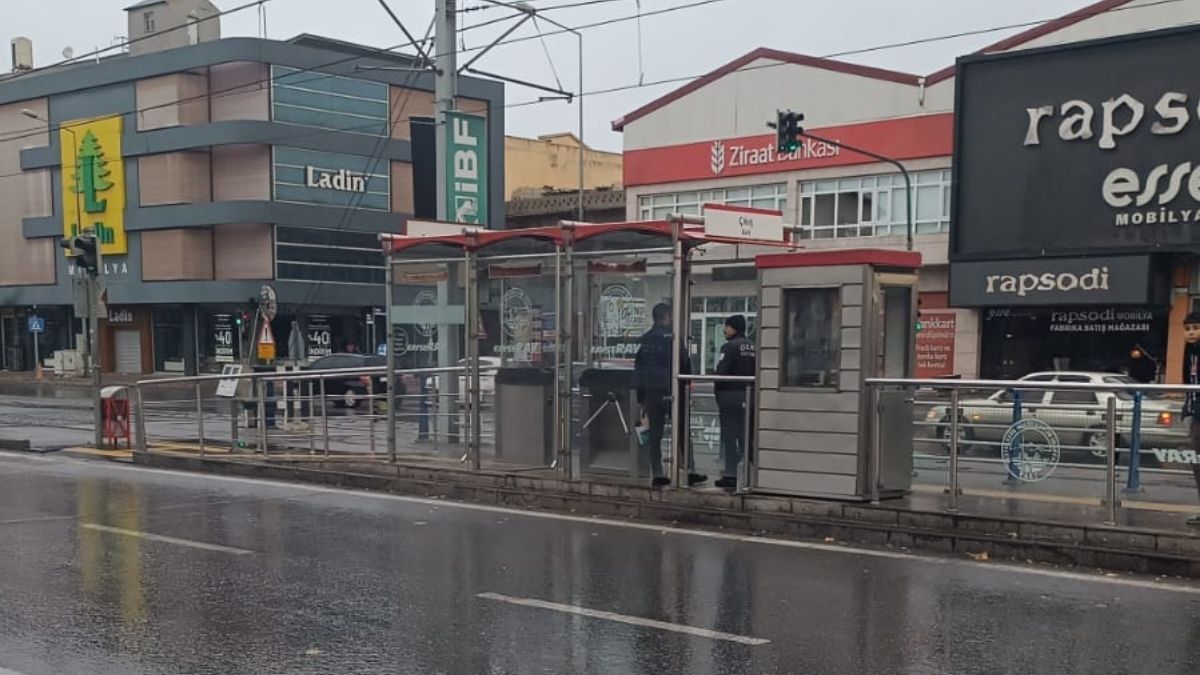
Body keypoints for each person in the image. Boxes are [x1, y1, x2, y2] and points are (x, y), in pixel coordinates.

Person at [634, 302, 706, 488]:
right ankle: (688, 470)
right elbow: (684, 362)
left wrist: (641, 397)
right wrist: (686, 385)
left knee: (655, 434)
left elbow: (639, 369)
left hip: (652, 392)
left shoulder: (646, 340)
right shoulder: (673, 338)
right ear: (667, 317)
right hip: (673, 390)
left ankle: (657, 473)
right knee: (682, 430)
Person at [714, 314, 756, 490]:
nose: (725, 330)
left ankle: (730, 474)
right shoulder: (753, 346)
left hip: (730, 398)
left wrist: (719, 396)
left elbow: (721, 374)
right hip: (749, 397)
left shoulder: (729, 347)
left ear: (734, 328)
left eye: (727, 326)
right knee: (746, 437)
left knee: (730, 438)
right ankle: (750, 472)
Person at [1183, 312, 1200, 526]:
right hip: (1195, 414)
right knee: (1197, 465)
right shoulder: (1190, 352)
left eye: (1195, 327)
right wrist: (1186, 412)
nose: (1191, 332)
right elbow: (1188, 384)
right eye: (1187, 329)